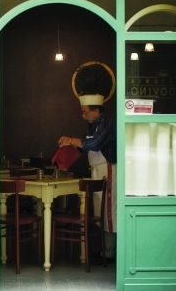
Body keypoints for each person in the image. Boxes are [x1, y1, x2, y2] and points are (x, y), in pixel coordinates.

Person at [57, 94, 117, 264]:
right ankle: (106, 250)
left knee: (109, 213)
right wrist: (70, 145)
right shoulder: (93, 126)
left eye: (85, 112)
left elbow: (94, 145)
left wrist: (71, 140)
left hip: (109, 169)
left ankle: (110, 253)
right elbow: (84, 146)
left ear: (96, 111)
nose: (83, 115)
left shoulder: (106, 124)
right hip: (98, 171)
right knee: (101, 212)